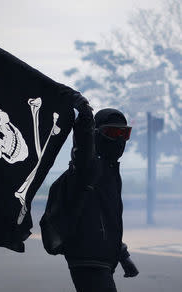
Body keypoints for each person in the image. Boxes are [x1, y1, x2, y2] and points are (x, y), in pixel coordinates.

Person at [63, 102, 139, 292]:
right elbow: (82, 145)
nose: (120, 140)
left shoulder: (110, 171)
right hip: (87, 259)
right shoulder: (86, 167)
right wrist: (85, 115)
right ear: (96, 134)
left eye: (125, 134)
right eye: (113, 133)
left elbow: (106, 219)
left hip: (102, 259)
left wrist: (122, 255)